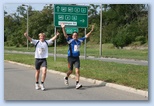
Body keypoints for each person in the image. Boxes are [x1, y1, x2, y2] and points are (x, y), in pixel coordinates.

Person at [61, 23, 94, 89]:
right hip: (70, 58)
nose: (75, 36)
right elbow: (65, 35)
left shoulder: (79, 40)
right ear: (72, 36)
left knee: (77, 71)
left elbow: (86, 36)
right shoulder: (70, 40)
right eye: (74, 35)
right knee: (70, 71)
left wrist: (91, 31)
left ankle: (77, 83)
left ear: (77, 36)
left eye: (76, 35)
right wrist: (63, 28)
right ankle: (66, 77)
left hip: (76, 58)